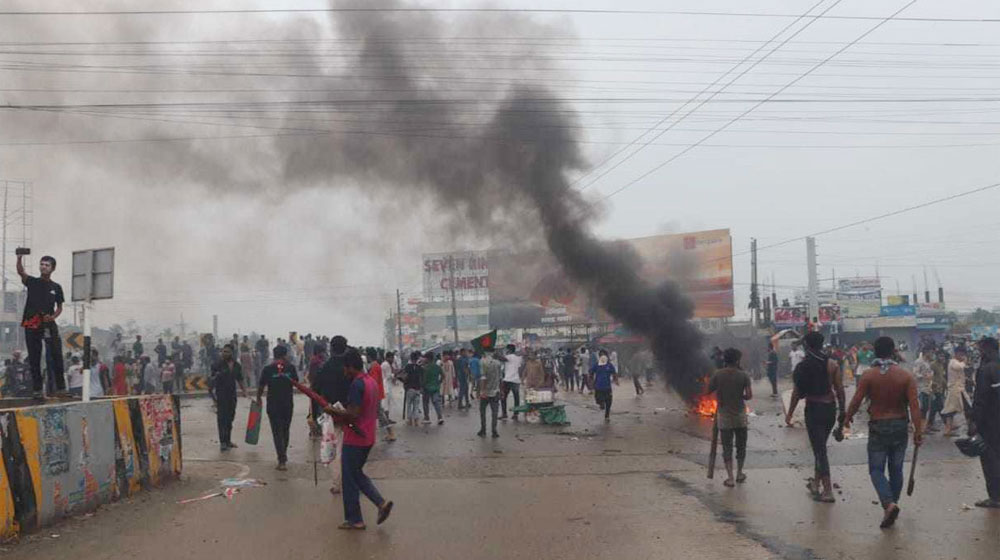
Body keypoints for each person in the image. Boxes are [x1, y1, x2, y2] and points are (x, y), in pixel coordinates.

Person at [844, 337, 922, 528]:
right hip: (900, 425)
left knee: (876, 469)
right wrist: (918, 430)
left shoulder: (869, 375)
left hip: (878, 425)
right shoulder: (905, 376)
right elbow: (914, 406)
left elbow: (856, 400)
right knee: (896, 469)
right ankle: (892, 503)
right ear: (894, 351)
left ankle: (888, 503)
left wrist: (847, 418)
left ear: (875, 352)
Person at [323, 347, 393, 530]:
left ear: (351, 367)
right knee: (356, 474)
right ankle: (380, 504)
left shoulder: (357, 384)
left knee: (349, 478)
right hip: (368, 436)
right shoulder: (371, 382)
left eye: (346, 369)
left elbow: (353, 414)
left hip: (355, 438)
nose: (345, 372)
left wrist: (333, 410)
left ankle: (356, 519)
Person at [785, 331, 846, 503]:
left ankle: (827, 491)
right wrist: (842, 412)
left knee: (820, 450)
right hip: (830, 409)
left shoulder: (803, 366)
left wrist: (789, 413)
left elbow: (797, 393)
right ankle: (816, 484)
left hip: (813, 409)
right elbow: (840, 391)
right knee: (820, 448)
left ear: (806, 345)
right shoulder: (832, 364)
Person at [16, 252, 65, 399]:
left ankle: (61, 388)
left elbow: (60, 307)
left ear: (53, 268)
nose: (43, 267)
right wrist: (19, 258)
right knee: (34, 357)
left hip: (48, 324)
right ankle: (37, 389)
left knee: (56, 353)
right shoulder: (32, 282)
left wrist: (53, 317)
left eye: (47, 265)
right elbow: (21, 272)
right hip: (32, 323)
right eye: (42, 264)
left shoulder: (56, 287)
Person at [708, 348, 752, 487]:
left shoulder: (717, 374)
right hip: (740, 416)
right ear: (737, 360)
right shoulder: (743, 375)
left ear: (724, 360)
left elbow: (708, 390)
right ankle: (739, 473)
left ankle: (730, 478)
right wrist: (739, 395)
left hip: (724, 416)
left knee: (727, 447)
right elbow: (749, 396)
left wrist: (721, 393)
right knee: (741, 446)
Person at [314, 335, 352, 494]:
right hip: (351, 413)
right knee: (351, 449)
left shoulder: (325, 367)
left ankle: (337, 484)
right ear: (345, 347)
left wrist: (314, 415)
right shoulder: (351, 366)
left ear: (331, 347)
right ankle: (352, 481)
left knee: (334, 449)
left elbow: (315, 390)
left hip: (331, 414)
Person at [970, 337, 1000, 508]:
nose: (979, 353)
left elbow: (980, 399)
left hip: (989, 423)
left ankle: (995, 497)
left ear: (987, 349)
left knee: (990, 459)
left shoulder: (986, 369)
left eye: (981, 349)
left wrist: (974, 421)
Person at [257, 345, 298, 470]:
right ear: (285, 355)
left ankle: (281, 459)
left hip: (273, 404)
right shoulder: (290, 367)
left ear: (274, 355)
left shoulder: (268, 369)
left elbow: (261, 385)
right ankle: (283, 456)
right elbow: (296, 382)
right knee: (285, 430)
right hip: (287, 404)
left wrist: (258, 398)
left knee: (277, 432)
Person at [210, 344, 247, 452]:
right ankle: (222, 442)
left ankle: (228, 440)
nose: (224, 353)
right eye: (223, 351)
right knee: (222, 419)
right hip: (221, 395)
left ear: (232, 353)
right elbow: (211, 381)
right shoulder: (216, 365)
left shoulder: (236, 365)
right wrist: (214, 399)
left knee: (230, 418)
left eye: (227, 352)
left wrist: (244, 391)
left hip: (232, 395)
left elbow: (240, 379)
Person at [366, 347, 396, 442]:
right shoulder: (376, 365)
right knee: (378, 414)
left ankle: (390, 433)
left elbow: (373, 382)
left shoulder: (374, 367)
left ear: (369, 356)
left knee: (380, 414)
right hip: (377, 393)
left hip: (375, 394)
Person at [942, 347, 970, 437]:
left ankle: (949, 429)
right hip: (955, 390)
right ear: (957, 353)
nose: (962, 356)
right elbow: (959, 367)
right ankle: (948, 429)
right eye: (961, 354)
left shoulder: (956, 362)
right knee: (954, 409)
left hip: (959, 389)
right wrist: (964, 361)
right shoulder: (953, 362)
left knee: (953, 410)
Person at [478, 350, 503, 438]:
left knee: (482, 411)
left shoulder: (482, 362)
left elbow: (483, 378)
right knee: (495, 412)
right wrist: (501, 390)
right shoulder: (498, 363)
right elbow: (500, 378)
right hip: (495, 391)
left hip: (486, 392)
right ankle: (494, 431)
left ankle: (483, 430)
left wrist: (482, 391)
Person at [590, 349, 618, 421]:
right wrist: (591, 381)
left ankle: (607, 415)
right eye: (601, 355)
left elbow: (614, 373)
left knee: (609, 401)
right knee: (598, 399)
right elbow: (591, 373)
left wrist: (616, 380)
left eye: (604, 355)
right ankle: (601, 404)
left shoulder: (609, 365)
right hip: (598, 386)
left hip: (607, 386)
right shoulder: (597, 365)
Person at [913, 349, 935, 431]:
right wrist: (924, 376)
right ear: (927, 352)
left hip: (928, 387)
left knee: (926, 408)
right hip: (921, 388)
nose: (932, 354)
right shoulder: (919, 362)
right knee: (923, 408)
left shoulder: (928, 362)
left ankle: (923, 427)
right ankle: (920, 428)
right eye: (931, 352)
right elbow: (915, 373)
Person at [926, 350, 948, 432]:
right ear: (937, 356)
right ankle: (947, 424)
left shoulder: (941, 365)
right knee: (940, 407)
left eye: (943, 356)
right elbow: (929, 377)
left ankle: (929, 424)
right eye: (940, 356)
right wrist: (933, 385)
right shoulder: (933, 365)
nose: (942, 358)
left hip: (941, 389)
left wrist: (946, 386)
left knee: (934, 408)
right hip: (935, 389)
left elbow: (941, 377)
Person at [500, 344, 523, 420]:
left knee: (503, 397)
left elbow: (501, 358)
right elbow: (520, 369)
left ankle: (504, 414)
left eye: (506, 349)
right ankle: (516, 414)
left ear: (508, 350)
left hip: (507, 380)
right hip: (516, 380)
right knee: (516, 398)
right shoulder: (519, 358)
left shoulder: (509, 357)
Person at [401, 351, 424, 426]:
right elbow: (421, 378)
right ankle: (416, 421)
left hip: (409, 388)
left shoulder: (408, 367)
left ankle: (410, 420)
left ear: (410, 358)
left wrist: (404, 383)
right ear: (417, 358)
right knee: (416, 406)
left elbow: (405, 377)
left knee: (409, 405)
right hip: (417, 388)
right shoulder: (419, 367)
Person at [421, 352, 444, 425]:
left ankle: (427, 418)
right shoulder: (437, 367)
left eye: (424, 358)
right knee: (436, 403)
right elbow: (443, 375)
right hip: (436, 388)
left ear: (427, 359)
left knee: (425, 403)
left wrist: (422, 387)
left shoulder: (425, 368)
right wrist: (439, 382)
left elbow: (424, 379)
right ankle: (440, 417)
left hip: (426, 388)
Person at [381, 351, 398, 421]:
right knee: (386, 404)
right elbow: (388, 376)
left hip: (387, 385)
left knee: (387, 403)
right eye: (392, 358)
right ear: (388, 358)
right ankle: (385, 419)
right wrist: (395, 374)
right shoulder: (386, 365)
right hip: (386, 385)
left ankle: (387, 418)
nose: (393, 359)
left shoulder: (386, 364)